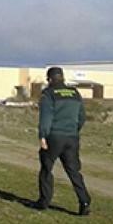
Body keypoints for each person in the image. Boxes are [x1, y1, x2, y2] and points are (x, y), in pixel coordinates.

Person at [35, 67, 91, 215]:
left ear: (50, 79)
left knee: (46, 169)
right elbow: (82, 117)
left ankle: (44, 202)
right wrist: (74, 130)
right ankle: (84, 202)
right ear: (63, 78)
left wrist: (42, 136)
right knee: (74, 171)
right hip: (72, 137)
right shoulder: (74, 93)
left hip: (54, 137)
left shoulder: (48, 94)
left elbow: (46, 117)